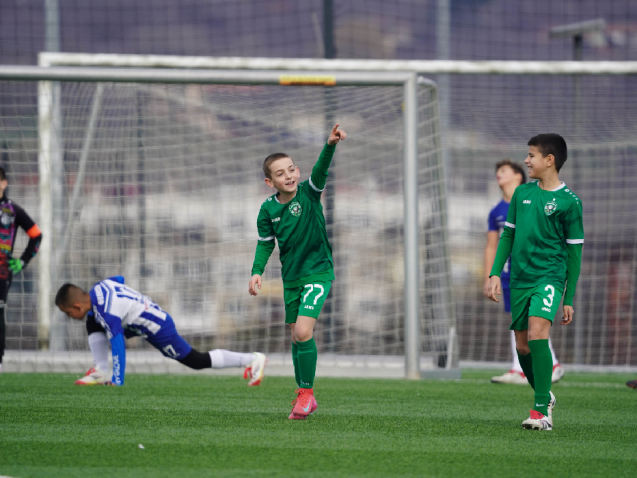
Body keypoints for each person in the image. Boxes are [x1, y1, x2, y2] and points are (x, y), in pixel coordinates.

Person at [248, 123, 346, 420]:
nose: (288, 176)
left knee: (303, 331)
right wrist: (256, 271)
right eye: (280, 173)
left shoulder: (309, 193)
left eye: (291, 169)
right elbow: (265, 243)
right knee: (295, 336)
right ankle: (305, 394)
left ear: (298, 171)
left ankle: (306, 395)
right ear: (270, 182)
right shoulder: (267, 210)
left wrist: (330, 145)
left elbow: (321, 170)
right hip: (291, 278)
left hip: (318, 272)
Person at [487, 134, 583, 431]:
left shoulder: (570, 203)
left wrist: (569, 297)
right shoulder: (522, 194)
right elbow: (508, 235)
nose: (526, 160)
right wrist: (494, 273)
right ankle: (545, 394)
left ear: (549, 160)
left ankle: (541, 411)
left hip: (549, 277)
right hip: (520, 278)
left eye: (531, 155)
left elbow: (574, 253)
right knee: (522, 345)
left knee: (538, 332)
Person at [55, 276, 267, 386]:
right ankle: (100, 371)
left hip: (158, 327)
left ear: (77, 306)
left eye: (68, 313)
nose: (69, 317)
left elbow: (118, 343)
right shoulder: (99, 288)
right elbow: (119, 279)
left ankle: (252, 359)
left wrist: (117, 380)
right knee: (92, 321)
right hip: (142, 320)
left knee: (195, 360)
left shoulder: (105, 312)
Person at [484, 159, 564, 385]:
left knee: (536, 320)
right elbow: (491, 246)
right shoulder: (496, 212)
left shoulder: (532, 201)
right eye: (497, 170)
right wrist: (490, 275)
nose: (499, 174)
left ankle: (551, 365)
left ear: (518, 176)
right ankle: (519, 367)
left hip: (535, 272)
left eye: (504, 170)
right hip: (509, 275)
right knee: (518, 321)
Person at [0, 166, 42, 373]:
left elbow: (36, 235)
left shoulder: (12, 210)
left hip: (1, 272)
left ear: (4, 183)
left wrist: (23, 261)